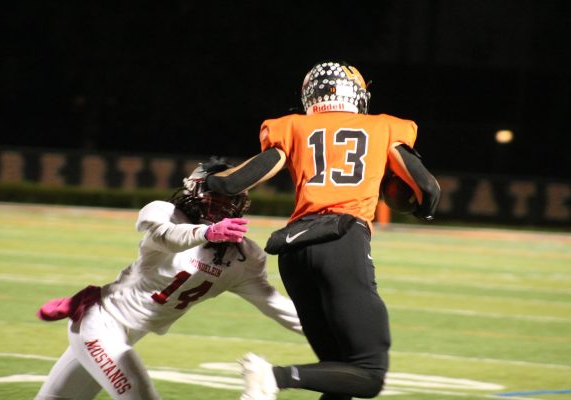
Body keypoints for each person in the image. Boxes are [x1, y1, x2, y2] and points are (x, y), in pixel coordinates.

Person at [205, 60, 441, 400]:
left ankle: (275, 378)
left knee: (339, 371)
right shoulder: (386, 128)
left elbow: (233, 184)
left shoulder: (291, 127)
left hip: (294, 251)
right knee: (368, 373)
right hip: (342, 242)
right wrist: (422, 210)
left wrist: (212, 179)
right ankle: (272, 377)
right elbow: (429, 189)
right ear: (358, 95)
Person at [34, 158, 302, 400]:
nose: (222, 202)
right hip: (100, 320)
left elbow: (275, 305)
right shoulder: (163, 213)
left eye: (230, 196)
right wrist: (207, 233)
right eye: (216, 194)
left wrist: (334, 329)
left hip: (127, 332)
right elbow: (167, 237)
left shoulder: (241, 256)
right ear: (195, 190)